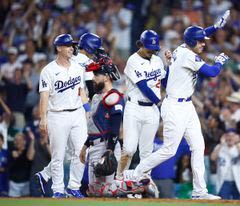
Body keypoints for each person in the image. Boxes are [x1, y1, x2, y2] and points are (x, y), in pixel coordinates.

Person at [123, 10, 231, 200]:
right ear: (192, 43)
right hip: (174, 106)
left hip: (186, 106)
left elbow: (197, 35)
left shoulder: (183, 47)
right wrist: (220, 61)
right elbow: (213, 72)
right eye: (200, 41)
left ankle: (199, 191)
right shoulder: (189, 56)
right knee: (169, 150)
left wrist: (215, 27)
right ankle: (137, 172)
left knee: (198, 145)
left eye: (203, 40)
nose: (203, 43)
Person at [78, 33, 157, 198]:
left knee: (104, 191)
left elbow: (114, 127)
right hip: (94, 145)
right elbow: (94, 126)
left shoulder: (113, 96)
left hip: (105, 146)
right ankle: (133, 182)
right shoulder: (97, 96)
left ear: (105, 77)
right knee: (94, 191)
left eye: (96, 75)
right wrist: (86, 146)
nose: (92, 78)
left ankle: (140, 185)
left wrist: (109, 149)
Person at [37, 34, 89, 198]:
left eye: (72, 46)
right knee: (58, 155)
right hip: (57, 115)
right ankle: (58, 189)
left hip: (77, 113)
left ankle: (74, 186)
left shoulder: (77, 67)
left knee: (82, 152)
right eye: (68, 46)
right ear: (59, 48)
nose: (71, 48)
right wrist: (43, 118)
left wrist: (87, 110)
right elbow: (44, 97)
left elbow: (81, 92)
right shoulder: (48, 70)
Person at [116, 30, 165, 177]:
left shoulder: (157, 60)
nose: (152, 51)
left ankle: (144, 182)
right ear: (141, 45)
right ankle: (119, 180)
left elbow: (164, 79)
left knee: (147, 152)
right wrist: (160, 102)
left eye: (154, 48)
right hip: (135, 108)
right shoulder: (133, 60)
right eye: (149, 47)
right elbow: (143, 86)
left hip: (152, 111)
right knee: (129, 149)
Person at [210, 128, 240, 200]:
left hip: (238, 182)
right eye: (228, 136)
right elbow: (212, 158)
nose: (230, 138)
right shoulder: (220, 146)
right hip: (224, 181)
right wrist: (221, 144)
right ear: (225, 137)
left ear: (236, 137)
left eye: (233, 136)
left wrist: (236, 144)